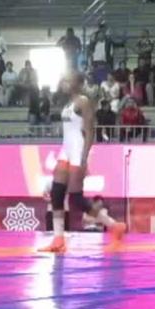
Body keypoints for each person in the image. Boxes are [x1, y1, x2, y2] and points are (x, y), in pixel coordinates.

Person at [39, 71, 124, 253]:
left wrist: (85, 157)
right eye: (64, 81)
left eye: (68, 81)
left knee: (76, 199)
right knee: (56, 193)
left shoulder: (83, 101)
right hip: (66, 149)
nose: (64, 84)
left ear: (77, 84)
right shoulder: (68, 103)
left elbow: (90, 131)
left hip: (78, 150)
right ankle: (58, 239)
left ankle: (114, 225)